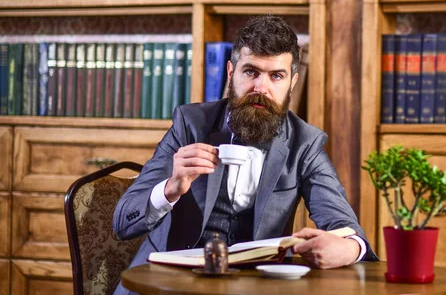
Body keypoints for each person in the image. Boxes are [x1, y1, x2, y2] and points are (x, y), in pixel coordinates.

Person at [112, 15, 378, 295]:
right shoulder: (189, 124)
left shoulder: (305, 143)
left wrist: (348, 248)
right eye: (251, 72)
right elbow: (122, 222)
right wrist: (170, 189)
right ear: (231, 72)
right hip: (167, 282)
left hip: (256, 287)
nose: (260, 89)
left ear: (292, 82)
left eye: (276, 76)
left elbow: (345, 226)